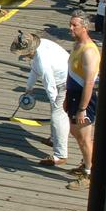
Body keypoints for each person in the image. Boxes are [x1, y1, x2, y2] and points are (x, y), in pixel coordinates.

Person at [10, 30, 71, 167]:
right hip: (63, 78)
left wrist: (55, 102)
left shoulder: (42, 60)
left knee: (57, 115)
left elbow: (49, 85)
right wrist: (29, 88)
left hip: (65, 83)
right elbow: (34, 69)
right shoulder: (41, 47)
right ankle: (54, 139)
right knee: (56, 113)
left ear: (28, 51)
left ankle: (60, 155)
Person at [64, 10, 101, 191]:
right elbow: (71, 74)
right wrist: (66, 98)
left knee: (85, 138)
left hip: (83, 99)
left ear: (84, 27)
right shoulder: (76, 45)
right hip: (72, 95)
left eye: (74, 25)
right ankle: (87, 162)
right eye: (70, 24)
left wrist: (82, 108)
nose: (70, 28)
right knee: (76, 133)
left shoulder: (89, 51)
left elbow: (89, 83)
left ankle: (89, 172)